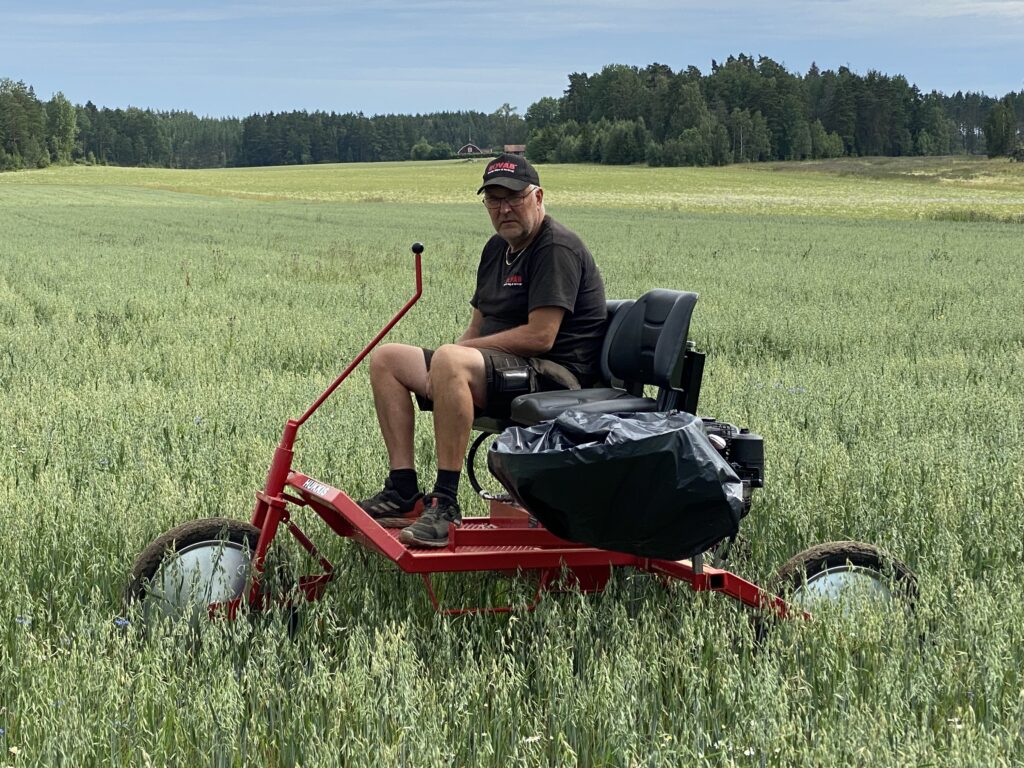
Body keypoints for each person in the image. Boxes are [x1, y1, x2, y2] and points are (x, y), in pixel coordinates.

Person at [358, 154, 606, 548]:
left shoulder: (556, 247)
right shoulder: (496, 249)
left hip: (554, 376)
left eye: (514, 197)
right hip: (501, 366)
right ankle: (404, 490)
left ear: (538, 197)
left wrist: (453, 357)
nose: (504, 208)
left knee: (451, 358)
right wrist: (448, 360)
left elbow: (542, 336)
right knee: (388, 359)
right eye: (494, 200)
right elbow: (477, 324)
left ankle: (445, 502)